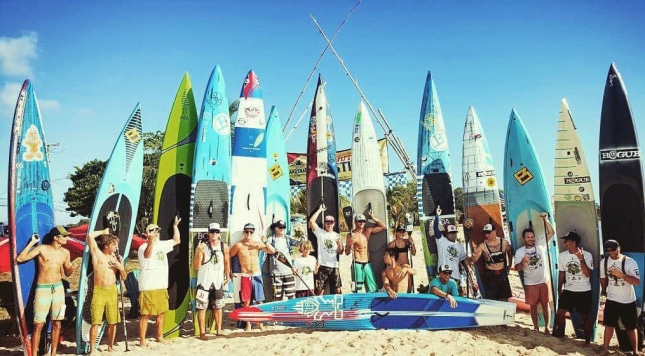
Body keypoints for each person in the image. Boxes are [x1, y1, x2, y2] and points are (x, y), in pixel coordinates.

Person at [16, 226, 75, 356]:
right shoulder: (42, 249)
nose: (67, 238)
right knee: (38, 324)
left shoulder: (65, 252)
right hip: (43, 289)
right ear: (56, 237)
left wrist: (72, 268)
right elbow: (20, 259)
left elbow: (67, 272)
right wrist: (31, 243)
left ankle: (53, 353)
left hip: (58, 288)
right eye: (64, 236)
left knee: (57, 323)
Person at [138, 216, 181, 347]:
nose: (156, 233)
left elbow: (176, 240)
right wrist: (150, 241)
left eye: (157, 231)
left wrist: (175, 226)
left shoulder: (162, 245)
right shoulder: (143, 246)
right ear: (147, 233)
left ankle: (159, 336)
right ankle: (142, 341)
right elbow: (147, 255)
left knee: (161, 313)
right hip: (148, 286)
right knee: (146, 315)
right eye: (153, 230)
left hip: (161, 285)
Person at [86, 228, 126, 355]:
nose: (116, 247)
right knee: (96, 322)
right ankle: (93, 349)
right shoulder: (97, 254)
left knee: (112, 321)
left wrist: (121, 267)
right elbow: (90, 236)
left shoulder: (115, 258)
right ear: (107, 245)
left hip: (112, 291)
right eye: (114, 244)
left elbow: (124, 277)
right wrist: (104, 231)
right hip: (99, 291)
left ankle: (110, 346)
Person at [513, 213, 554, 334]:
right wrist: (523, 262)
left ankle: (546, 327)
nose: (531, 239)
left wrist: (545, 220)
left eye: (532, 236)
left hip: (543, 281)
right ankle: (536, 327)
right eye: (528, 237)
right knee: (533, 306)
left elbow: (551, 233)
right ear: (524, 238)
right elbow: (517, 268)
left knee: (545, 305)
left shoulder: (541, 246)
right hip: (530, 283)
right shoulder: (520, 252)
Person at [229, 222, 274, 331]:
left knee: (259, 301)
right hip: (245, 275)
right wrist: (230, 271)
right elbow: (229, 256)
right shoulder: (239, 245)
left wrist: (265, 240)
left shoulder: (257, 244)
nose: (249, 233)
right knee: (246, 301)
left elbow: (272, 250)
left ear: (253, 232)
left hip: (257, 274)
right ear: (244, 232)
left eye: (251, 231)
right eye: (247, 231)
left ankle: (260, 324)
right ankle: (248, 324)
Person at [600, 239, 641, 355]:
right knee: (608, 325)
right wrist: (604, 290)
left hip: (628, 300)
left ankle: (635, 351)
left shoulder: (629, 262)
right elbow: (603, 278)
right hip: (612, 299)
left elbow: (636, 281)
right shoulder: (604, 262)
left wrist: (621, 275)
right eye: (608, 250)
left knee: (631, 327)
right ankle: (605, 348)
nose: (611, 252)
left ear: (619, 248)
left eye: (613, 249)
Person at [553, 231, 593, 345]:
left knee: (585, 316)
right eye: (564, 240)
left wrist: (581, 259)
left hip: (584, 290)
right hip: (569, 290)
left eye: (567, 241)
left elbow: (588, 274)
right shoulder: (562, 255)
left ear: (574, 242)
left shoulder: (587, 254)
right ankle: (561, 334)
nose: (564, 243)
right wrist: (559, 287)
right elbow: (561, 272)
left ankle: (587, 341)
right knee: (560, 313)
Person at [193, 222, 230, 339]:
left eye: (216, 232)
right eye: (212, 231)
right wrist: (198, 252)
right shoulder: (202, 247)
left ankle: (218, 330)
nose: (214, 234)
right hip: (204, 281)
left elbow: (227, 262)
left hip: (218, 281)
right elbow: (196, 266)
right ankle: (202, 333)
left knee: (218, 306)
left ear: (219, 233)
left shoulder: (224, 247)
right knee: (201, 307)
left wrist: (227, 275)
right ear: (208, 233)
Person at [345, 211, 386, 293]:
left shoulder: (367, 231)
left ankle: (371, 304)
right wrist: (349, 244)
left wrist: (373, 217)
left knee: (373, 288)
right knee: (357, 289)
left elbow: (383, 227)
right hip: (357, 264)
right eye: (359, 221)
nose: (362, 223)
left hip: (367, 263)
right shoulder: (351, 235)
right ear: (355, 222)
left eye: (363, 221)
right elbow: (347, 252)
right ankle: (357, 305)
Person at [470, 223, 513, 301]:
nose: (487, 235)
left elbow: (510, 252)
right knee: (491, 298)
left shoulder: (504, 242)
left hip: (502, 272)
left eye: (489, 232)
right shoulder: (482, 245)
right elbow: (474, 260)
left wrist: (509, 265)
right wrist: (473, 255)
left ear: (494, 232)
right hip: (490, 274)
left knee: (504, 297)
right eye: (485, 233)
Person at [308, 204, 343, 295]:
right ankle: (319, 307)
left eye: (331, 223)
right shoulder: (320, 233)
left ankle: (340, 307)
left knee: (338, 290)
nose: (329, 224)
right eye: (327, 223)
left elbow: (341, 252)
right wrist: (319, 210)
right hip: (322, 265)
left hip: (334, 265)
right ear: (324, 224)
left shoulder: (337, 235)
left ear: (334, 224)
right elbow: (311, 221)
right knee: (319, 290)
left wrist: (339, 245)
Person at [266, 219, 302, 300]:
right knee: (277, 296)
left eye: (284, 227)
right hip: (276, 273)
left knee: (291, 296)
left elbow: (300, 244)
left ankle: (291, 311)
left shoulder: (288, 238)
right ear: (275, 228)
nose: (282, 229)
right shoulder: (270, 239)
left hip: (288, 272)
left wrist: (300, 233)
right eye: (280, 227)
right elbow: (267, 250)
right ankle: (277, 312)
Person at [434, 207, 467, 295]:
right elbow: (436, 230)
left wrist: (467, 266)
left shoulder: (460, 246)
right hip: (442, 276)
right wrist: (437, 216)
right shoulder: (442, 241)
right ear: (446, 234)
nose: (453, 234)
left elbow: (462, 260)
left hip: (455, 276)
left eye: (454, 232)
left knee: (456, 299)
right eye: (451, 233)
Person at [388, 224, 417, 293]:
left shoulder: (407, 242)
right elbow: (389, 258)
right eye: (399, 231)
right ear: (396, 232)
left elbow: (414, 253)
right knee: (399, 289)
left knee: (410, 288)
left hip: (407, 267)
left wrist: (412, 243)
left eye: (403, 232)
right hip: (398, 268)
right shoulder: (392, 244)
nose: (401, 233)